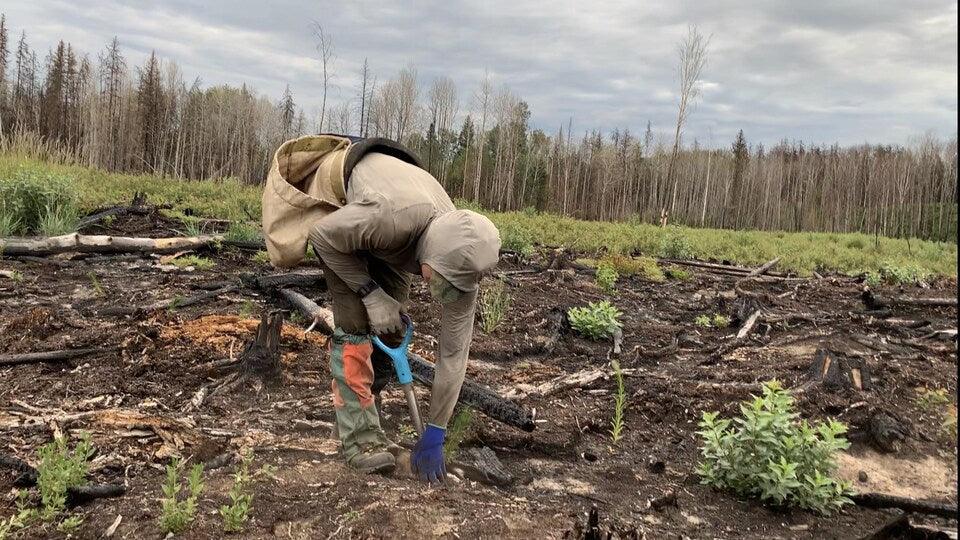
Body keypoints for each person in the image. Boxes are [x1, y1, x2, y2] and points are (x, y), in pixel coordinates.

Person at [261, 134, 500, 482]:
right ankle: (359, 441)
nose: (444, 293)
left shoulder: (464, 260)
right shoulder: (391, 219)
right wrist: (370, 293)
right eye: (441, 281)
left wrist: (436, 431)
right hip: (345, 197)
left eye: (453, 288)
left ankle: (361, 408)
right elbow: (324, 236)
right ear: (428, 258)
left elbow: (453, 355)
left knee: (391, 326)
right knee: (357, 323)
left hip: (392, 230)